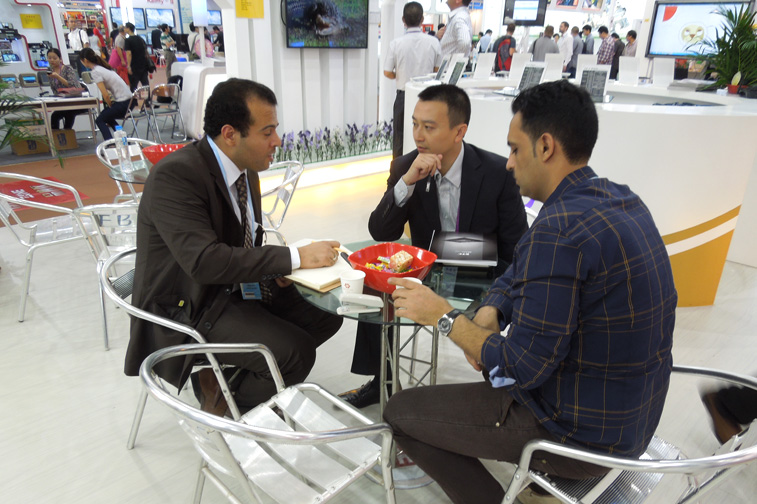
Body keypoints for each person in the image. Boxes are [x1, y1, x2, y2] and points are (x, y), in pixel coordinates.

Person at [383, 79, 677, 504]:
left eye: (515, 149)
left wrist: (445, 318)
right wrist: (493, 309)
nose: (509, 163)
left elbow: (521, 368)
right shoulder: (618, 200)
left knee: (400, 413)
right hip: (634, 419)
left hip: (579, 432)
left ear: (545, 147)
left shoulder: (557, 229)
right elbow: (521, 264)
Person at [125, 78, 343, 415]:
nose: (277, 141)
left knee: (327, 313)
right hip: (188, 306)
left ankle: (230, 380)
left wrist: (276, 270)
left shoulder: (245, 170)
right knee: (295, 352)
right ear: (229, 134)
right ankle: (229, 408)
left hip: (231, 289)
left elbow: (242, 241)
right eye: (267, 132)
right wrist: (293, 258)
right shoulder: (176, 176)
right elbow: (204, 261)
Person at [340, 84, 528, 408]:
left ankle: (502, 394)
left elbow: (517, 250)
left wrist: (496, 303)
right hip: (428, 268)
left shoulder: (497, 172)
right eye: (415, 124)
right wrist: (406, 183)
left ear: (459, 131)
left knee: (495, 317)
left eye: (429, 127)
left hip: (481, 270)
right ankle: (381, 377)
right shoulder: (406, 166)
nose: (418, 135)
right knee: (375, 281)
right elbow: (380, 231)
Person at [383, 1, 442, 159]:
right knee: (428, 136)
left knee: (399, 136)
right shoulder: (434, 42)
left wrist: (399, 75)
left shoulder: (396, 44)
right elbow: (438, 71)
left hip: (403, 95)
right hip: (429, 97)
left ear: (403, 20)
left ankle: (398, 171)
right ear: (422, 19)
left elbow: (387, 72)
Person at [79, 48, 133, 141]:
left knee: (100, 120)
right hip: (130, 101)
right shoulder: (103, 68)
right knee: (107, 116)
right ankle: (123, 139)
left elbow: (105, 95)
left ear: (85, 60)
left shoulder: (95, 72)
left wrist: (110, 105)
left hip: (123, 103)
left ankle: (110, 143)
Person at [46, 48, 84, 129]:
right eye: (49, 58)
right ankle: (56, 135)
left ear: (60, 59)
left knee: (68, 113)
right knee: (55, 116)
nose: (52, 60)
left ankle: (67, 133)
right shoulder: (50, 71)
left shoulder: (67, 69)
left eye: (54, 58)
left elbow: (72, 84)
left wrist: (58, 77)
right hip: (63, 102)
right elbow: (54, 89)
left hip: (75, 100)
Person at [124, 22, 150, 91]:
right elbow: (145, 50)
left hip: (134, 66)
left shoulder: (128, 40)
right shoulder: (140, 38)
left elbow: (129, 54)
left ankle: (134, 98)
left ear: (128, 29)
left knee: (133, 86)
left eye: (125, 28)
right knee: (145, 84)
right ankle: (148, 97)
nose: (124, 29)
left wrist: (129, 66)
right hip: (143, 64)